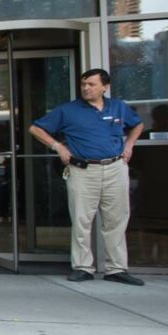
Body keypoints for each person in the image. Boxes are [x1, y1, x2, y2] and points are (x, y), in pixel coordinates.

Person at [29, 68, 145, 286]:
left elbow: (138, 124)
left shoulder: (118, 107)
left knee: (117, 220)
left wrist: (129, 145)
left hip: (115, 168)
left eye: (91, 84)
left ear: (104, 87)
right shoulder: (68, 110)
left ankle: (116, 268)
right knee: (82, 220)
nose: (86, 88)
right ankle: (83, 267)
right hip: (83, 170)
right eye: (84, 84)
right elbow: (35, 129)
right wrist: (58, 147)